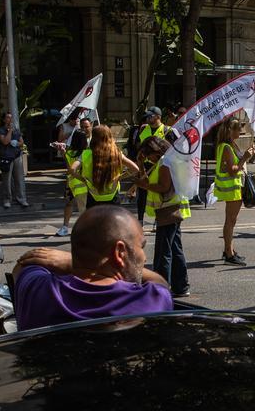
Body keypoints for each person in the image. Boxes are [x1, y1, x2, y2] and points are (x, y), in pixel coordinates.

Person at [12, 205, 173, 331]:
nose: (144, 257)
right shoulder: (151, 300)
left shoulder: (36, 290)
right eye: (141, 247)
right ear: (120, 252)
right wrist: (70, 262)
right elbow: (160, 282)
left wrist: (74, 262)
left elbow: (22, 265)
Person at [134, 135, 190, 296]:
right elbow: (146, 177)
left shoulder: (166, 162)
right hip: (171, 210)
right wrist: (140, 164)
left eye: (148, 154)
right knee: (175, 248)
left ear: (155, 151)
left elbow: (163, 187)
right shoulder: (167, 159)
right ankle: (181, 286)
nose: (148, 159)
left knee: (163, 252)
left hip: (169, 210)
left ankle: (160, 289)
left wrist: (145, 185)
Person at [214, 115, 255, 265]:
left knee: (231, 221)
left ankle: (230, 250)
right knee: (230, 221)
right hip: (231, 188)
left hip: (235, 187)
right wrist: (245, 157)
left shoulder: (230, 144)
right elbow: (233, 170)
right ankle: (228, 254)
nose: (240, 133)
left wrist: (249, 156)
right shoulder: (226, 146)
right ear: (230, 131)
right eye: (238, 130)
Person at [70, 125, 140, 209]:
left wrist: (84, 180)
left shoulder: (86, 154)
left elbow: (72, 170)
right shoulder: (116, 153)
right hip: (113, 195)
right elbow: (135, 169)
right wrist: (120, 177)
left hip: (93, 196)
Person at [131, 106, 169, 222]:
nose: (148, 118)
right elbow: (138, 145)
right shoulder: (143, 129)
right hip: (145, 164)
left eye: (151, 116)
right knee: (142, 194)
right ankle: (141, 220)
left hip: (159, 165)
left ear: (158, 117)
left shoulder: (167, 130)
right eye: (147, 116)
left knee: (159, 191)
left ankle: (159, 219)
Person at [55, 117, 92, 237]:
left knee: (87, 209)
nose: (85, 129)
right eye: (82, 127)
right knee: (72, 204)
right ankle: (66, 227)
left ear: (91, 125)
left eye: (87, 126)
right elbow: (70, 167)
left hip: (87, 183)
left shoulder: (95, 141)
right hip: (78, 183)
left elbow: (70, 167)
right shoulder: (77, 142)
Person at [0, 112, 28, 208]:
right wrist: (9, 131)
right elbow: (5, 141)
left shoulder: (16, 130)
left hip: (16, 155)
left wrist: (17, 143)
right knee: (7, 179)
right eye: (8, 118)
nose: (10, 119)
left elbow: (22, 142)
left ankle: (21, 198)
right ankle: (7, 199)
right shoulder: (1, 130)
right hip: (6, 157)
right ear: (4, 119)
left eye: (11, 118)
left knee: (18, 178)